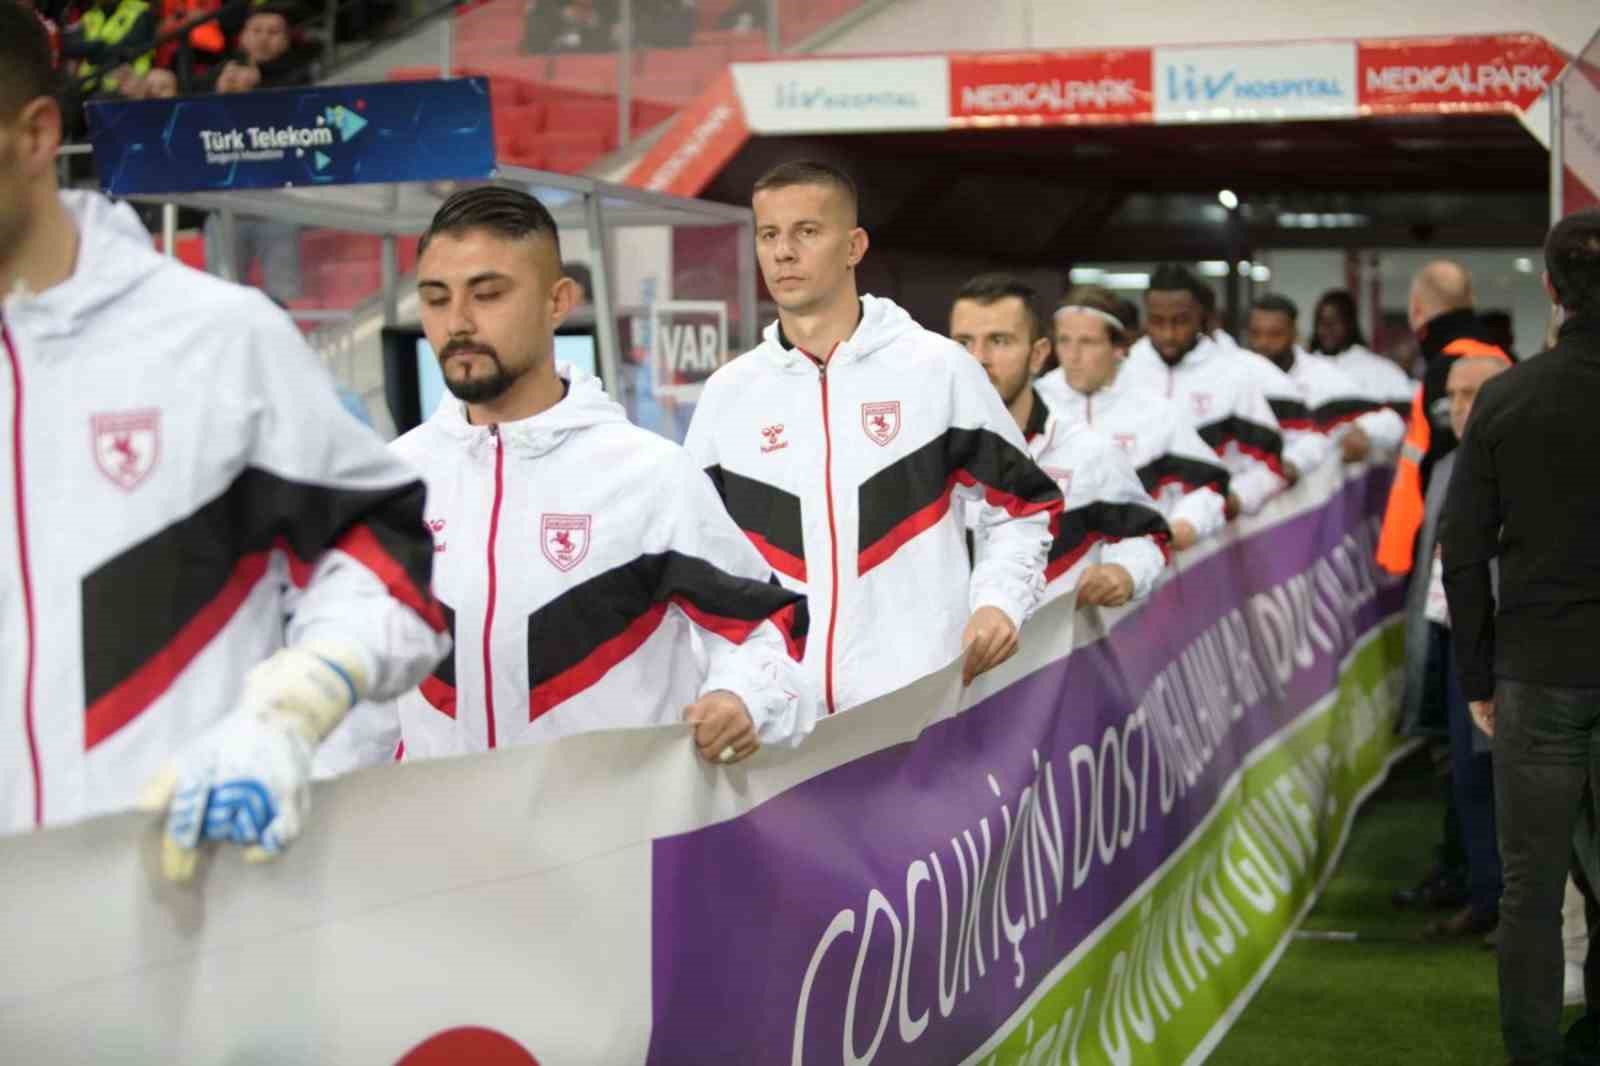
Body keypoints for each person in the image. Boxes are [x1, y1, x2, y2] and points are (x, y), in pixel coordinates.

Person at [0, 3, 449, 879]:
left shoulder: (213, 341)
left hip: (177, 905)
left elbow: (386, 550)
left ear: (36, 135)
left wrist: (296, 706)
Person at [382, 186, 811, 763]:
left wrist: (742, 698)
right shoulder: (391, 484)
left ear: (558, 302)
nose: (457, 322)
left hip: (612, 843)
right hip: (441, 841)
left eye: (487, 295)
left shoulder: (647, 475)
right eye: (436, 298)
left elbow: (768, 627)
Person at [685, 161, 1060, 716]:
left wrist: (998, 604)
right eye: (770, 235)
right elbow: (697, 560)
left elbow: (1025, 506)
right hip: (780, 726)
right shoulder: (728, 395)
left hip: (918, 710)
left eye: (807, 231)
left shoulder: (938, 369)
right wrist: (732, 687)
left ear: (855, 245)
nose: (784, 251)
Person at [1441, 208, 1600, 1066]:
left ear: (1550, 289)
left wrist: (1476, 675)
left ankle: (1535, 1055)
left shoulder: (1508, 397)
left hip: (1535, 672)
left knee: (1531, 889)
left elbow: (1462, 551)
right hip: (1543, 671)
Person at [949, 275, 1168, 608]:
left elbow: (1146, 535)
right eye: (963, 342)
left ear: (1037, 355)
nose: (978, 357)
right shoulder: (920, 450)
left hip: (1056, 657)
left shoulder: (1089, 452)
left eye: (999, 341)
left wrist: (1125, 571)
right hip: (953, 658)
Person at [1413, 355, 1508, 943]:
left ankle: (1512, 907)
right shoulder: (1446, 465)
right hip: (1450, 636)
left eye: (1474, 394)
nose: (1460, 407)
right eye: (1453, 395)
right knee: (1467, 775)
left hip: (1503, 639)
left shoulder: (1524, 464)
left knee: (1500, 774)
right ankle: (1484, 895)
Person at [1034, 283, 1230, 552]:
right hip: (1051, 575)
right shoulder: (1034, 404)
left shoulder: (1155, 410)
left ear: (1119, 347)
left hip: (1137, 573)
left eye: (1088, 342)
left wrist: (1186, 524)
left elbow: (1209, 486)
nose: (1073, 355)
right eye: (1064, 341)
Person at [1122, 263, 1289, 516]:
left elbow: (1272, 463)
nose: (1169, 333)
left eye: (1180, 321)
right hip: (1135, 535)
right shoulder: (1122, 371)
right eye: (1157, 321)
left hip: (1211, 535)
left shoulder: (1231, 375)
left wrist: (1236, 498)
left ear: (1201, 316)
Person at [1376, 259, 1511, 575]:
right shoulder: (1500, 359)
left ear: (1416, 309)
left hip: (1444, 540)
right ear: (1470, 300)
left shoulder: (1450, 370)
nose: (1458, 401)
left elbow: (1446, 463)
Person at [1246, 293, 1404, 464]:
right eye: (1256, 334)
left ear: (1294, 333)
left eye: (1275, 334)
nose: (1263, 343)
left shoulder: (1323, 377)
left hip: (1307, 486)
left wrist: (1363, 430)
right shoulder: (1237, 376)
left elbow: (1390, 421)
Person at [1307, 288, 1414, 421]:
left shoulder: (1383, 371)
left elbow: (1404, 416)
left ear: (1350, 324)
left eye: (1335, 322)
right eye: (1321, 322)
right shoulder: (1304, 370)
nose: (1327, 329)